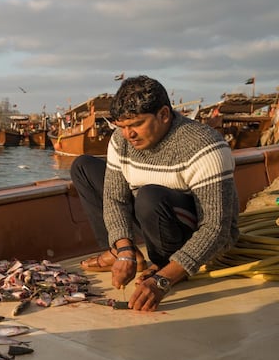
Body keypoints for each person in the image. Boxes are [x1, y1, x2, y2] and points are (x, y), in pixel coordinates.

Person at [70, 76, 239, 311]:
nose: (128, 134)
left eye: (136, 124)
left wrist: (162, 280)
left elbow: (216, 229)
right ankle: (122, 253)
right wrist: (125, 249)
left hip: (191, 230)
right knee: (83, 167)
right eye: (123, 127)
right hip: (151, 215)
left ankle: (163, 263)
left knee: (149, 197)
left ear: (164, 115)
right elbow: (114, 198)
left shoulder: (204, 146)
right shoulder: (122, 139)